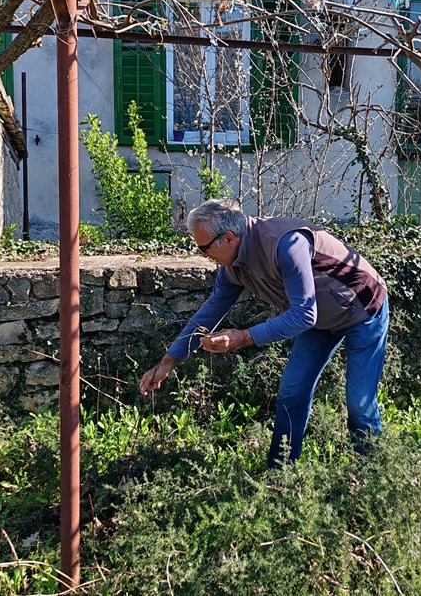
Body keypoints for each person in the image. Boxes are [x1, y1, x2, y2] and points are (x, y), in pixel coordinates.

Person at [139, 199, 390, 468]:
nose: (203, 256)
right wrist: (168, 361)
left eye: (204, 248)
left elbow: (304, 314)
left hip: (363, 309)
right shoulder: (232, 268)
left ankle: (373, 478)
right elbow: (209, 313)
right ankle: (280, 475)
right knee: (291, 393)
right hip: (319, 321)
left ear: (228, 238)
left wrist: (244, 337)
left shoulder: (286, 244)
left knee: (359, 404)